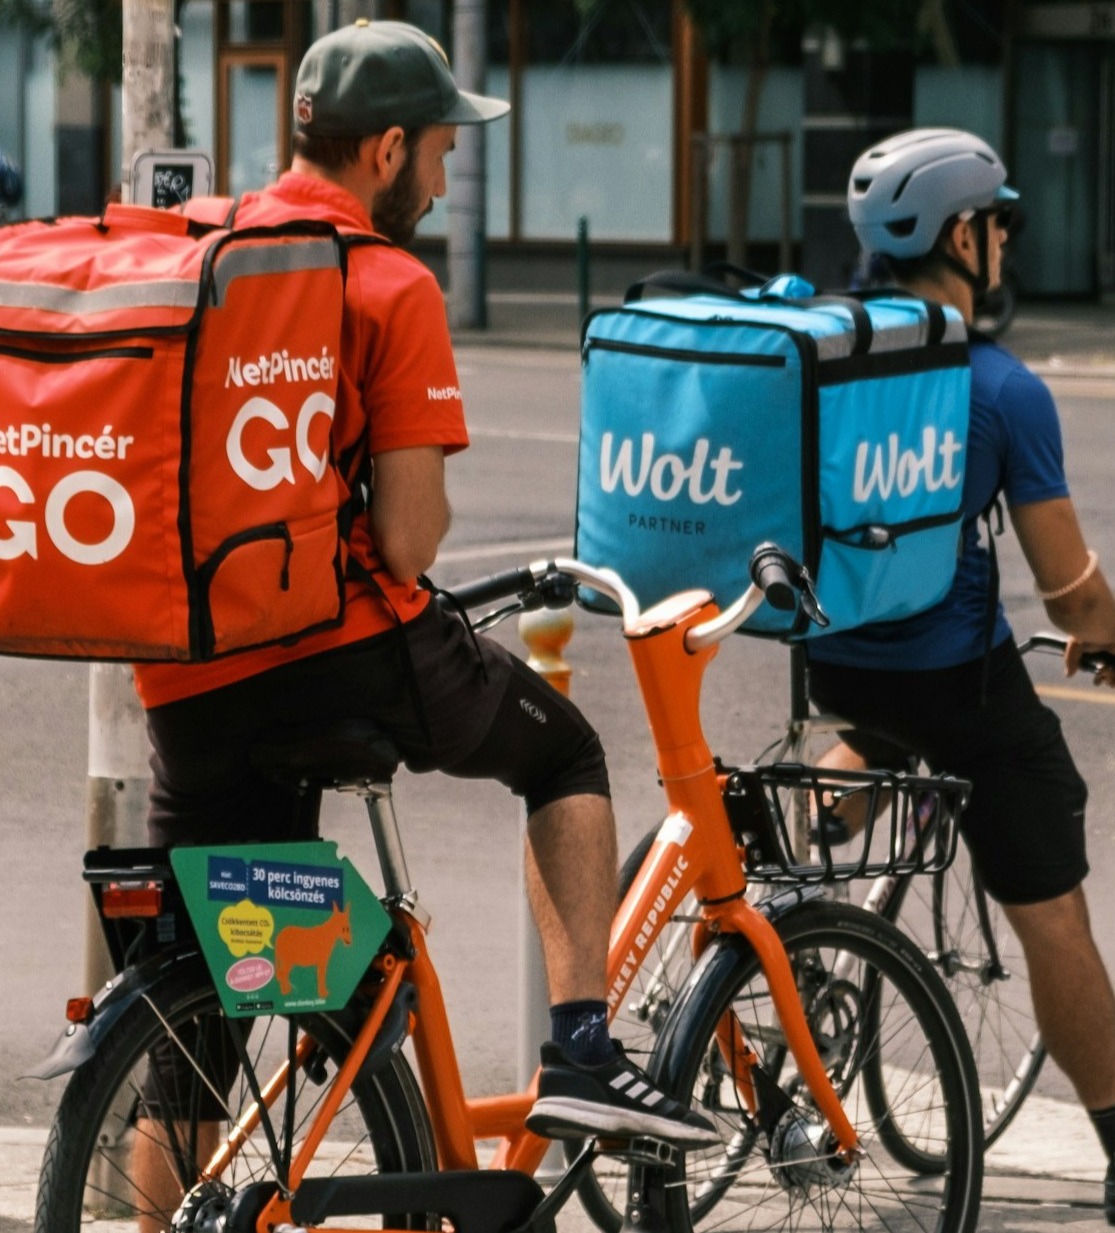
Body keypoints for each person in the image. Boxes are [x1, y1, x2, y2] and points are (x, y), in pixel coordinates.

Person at [130, 20, 715, 1209]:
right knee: (567, 753)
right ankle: (584, 1049)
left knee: (198, 1021)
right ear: (386, 149)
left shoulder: (204, 246)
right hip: (341, 652)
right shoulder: (388, 283)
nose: (449, 180)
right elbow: (405, 541)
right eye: (443, 152)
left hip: (188, 673)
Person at [806, 126, 1115, 1221]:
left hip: (835, 665)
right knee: (1054, 921)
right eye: (997, 223)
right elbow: (1069, 594)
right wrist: (1107, 636)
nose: (1004, 243)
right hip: (956, 684)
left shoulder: (822, 355)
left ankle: (807, 853)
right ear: (961, 235)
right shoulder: (998, 387)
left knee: (882, 727)